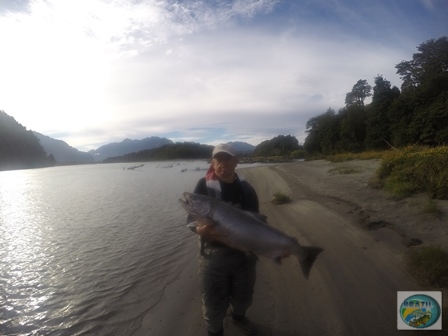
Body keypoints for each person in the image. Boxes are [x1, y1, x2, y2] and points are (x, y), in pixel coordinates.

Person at [188, 143, 259, 336]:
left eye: (228, 159)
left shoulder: (247, 190)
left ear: (236, 162)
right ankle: (215, 331)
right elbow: (190, 222)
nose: (223, 164)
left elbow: (255, 223)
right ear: (212, 162)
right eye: (218, 159)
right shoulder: (204, 186)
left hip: (243, 253)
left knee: (244, 296)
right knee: (212, 301)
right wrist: (203, 231)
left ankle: (238, 317)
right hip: (212, 254)